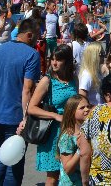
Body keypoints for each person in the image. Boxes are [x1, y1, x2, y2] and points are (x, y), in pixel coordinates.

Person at [0, 18, 41, 186]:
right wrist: (25, 117)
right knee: (14, 161)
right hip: (14, 115)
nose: (38, 41)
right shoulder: (32, 54)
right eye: (37, 37)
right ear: (29, 35)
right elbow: (27, 89)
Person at [29, 45, 78, 186]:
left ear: (67, 61)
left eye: (58, 60)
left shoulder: (74, 78)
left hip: (71, 130)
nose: (54, 63)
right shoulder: (47, 80)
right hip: (53, 133)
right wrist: (54, 115)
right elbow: (32, 108)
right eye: (52, 59)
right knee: (53, 176)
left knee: (71, 173)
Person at [56, 94, 91, 186]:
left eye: (88, 106)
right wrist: (80, 149)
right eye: (82, 108)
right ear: (72, 112)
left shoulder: (90, 131)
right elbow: (68, 169)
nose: (87, 109)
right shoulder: (67, 137)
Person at [77, 42, 105, 106]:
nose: (104, 56)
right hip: (93, 109)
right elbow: (82, 97)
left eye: (104, 53)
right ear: (94, 56)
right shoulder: (87, 75)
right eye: (101, 54)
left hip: (100, 108)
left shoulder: (96, 71)